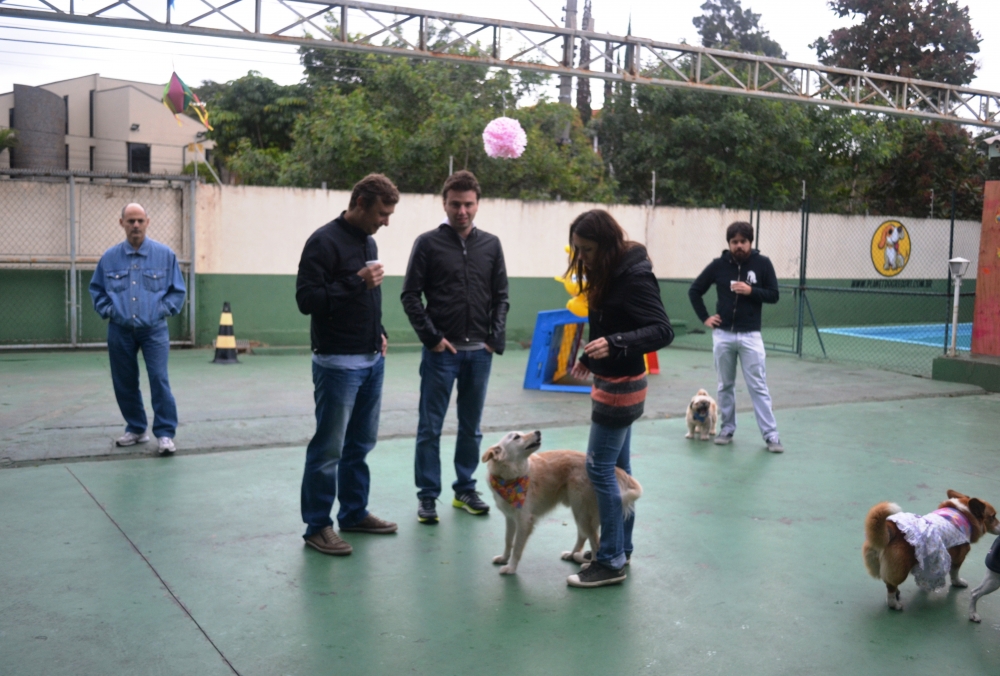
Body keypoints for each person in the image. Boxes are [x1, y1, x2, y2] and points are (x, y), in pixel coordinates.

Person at [566, 210, 673, 588]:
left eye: (589, 250)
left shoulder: (634, 276)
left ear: (607, 245)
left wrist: (615, 344)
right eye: (578, 250)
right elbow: (607, 322)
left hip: (622, 387)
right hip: (611, 381)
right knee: (619, 472)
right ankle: (621, 548)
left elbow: (662, 330)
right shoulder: (607, 269)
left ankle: (610, 561)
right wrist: (589, 355)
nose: (583, 257)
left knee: (599, 470)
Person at [295, 174, 400, 557]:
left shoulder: (367, 240)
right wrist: (356, 282)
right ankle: (317, 526)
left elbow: (366, 300)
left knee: (360, 444)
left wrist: (380, 332)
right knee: (329, 448)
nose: (385, 221)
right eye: (381, 213)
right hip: (338, 364)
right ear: (359, 202)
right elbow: (307, 299)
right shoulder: (323, 241)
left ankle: (354, 513)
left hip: (371, 360)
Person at [402, 170, 509, 525]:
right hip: (441, 355)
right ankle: (427, 496)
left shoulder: (491, 245)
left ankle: (465, 489)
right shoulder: (427, 243)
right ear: (444, 204)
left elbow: (501, 296)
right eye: (455, 204)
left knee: (471, 427)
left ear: (477, 204)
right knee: (430, 427)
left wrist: (496, 337)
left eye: (468, 204)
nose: (461, 211)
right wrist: (432, 338)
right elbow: (410, 296)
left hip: (479, 353)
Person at [90, 203, 186, 456]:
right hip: (120, 329)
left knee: (158, 378)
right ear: (121, 223)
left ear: (147, 222)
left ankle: (165, 433)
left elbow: (177, 291)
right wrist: (110, 311)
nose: (135, 225)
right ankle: (136, 428)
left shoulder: (164, 255)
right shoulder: (109, 258)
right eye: (130, 221)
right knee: (124, 381)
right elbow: (97, 290)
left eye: (140, 221)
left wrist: (160, 311)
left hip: (154, 330)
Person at [688, 221, 784, 453]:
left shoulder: (762, 264)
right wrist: (705, 318)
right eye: (734, 242)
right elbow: (695, 290)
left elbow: (774, 295)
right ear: (729, 243)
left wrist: (752, 291)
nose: (739, 246)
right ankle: (726, 429)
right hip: (723, 336)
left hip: (751, 335)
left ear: (750, 242)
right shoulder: (718, 266)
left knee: (758, 386)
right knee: (725, 386)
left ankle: (771, 436)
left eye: (743, 241)